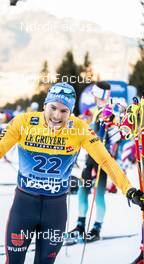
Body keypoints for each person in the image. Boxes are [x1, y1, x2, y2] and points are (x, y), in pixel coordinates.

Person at [0, 82, 143, 264]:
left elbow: (106, 161)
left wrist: (129, 190)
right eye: (53, 108)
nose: (57, 116)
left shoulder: (79, 128)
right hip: (24, 206)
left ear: (71, 112)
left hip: (55, 210)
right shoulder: (23, 122)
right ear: (45, 105)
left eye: (64, 111)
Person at [67, 81, 120, 243]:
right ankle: (80, 226)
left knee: (99, 194)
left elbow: (116, 138)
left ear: (102, 95)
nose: (93, 96)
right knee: (83, 190)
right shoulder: (95, 110)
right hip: (90, 158)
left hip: (103, 159)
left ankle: (96, 228)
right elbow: (84, 124)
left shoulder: (110, 112)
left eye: (96, 93)